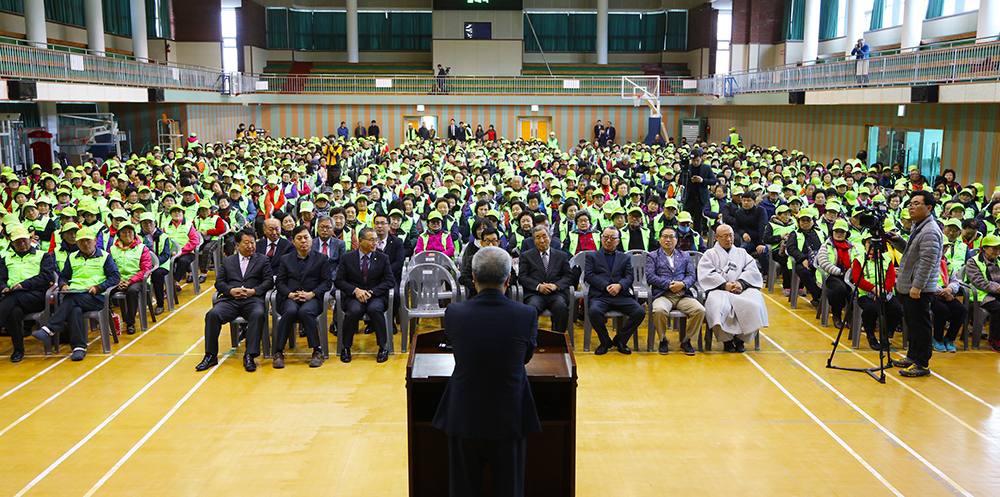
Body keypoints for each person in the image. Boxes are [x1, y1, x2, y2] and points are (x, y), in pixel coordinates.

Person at [431, 246, 541, 497]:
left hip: (464, 412)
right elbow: (524, 357)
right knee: (510, 488)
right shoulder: (526, 313)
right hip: (509, 413)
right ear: (508, 279)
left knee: (463, 489)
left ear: (473, 277)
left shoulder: (455, 312)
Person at [32, 227, 120, 362]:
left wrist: (99, 287)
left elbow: (114, 277)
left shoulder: (105, 257)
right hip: (75, 295)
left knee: (71, 301)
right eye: (81, 241)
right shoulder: (72, 257)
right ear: (77, 243)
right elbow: (63, 276)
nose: (85, 244)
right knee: (74, 309)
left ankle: (51, 327)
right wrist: (63, 284)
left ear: (95, 241)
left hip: (96, 298)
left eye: (88, 241)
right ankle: (79, 347)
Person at [196, 229, 274, 373]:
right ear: (237, 245)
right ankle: (210, 355)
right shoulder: (227, 261)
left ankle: (250, 355)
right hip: (230, 300)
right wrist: (231, 290)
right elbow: (219, 283)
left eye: (253, 243)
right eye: (247, 243)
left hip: (252, 300)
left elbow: (269, 281)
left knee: (258, 314)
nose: (251, 246)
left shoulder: (262, 260)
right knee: (212, 315)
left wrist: (253, 291)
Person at [888, 190, 943, 377]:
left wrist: (917, 286)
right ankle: (912, 357)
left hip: (918, 288)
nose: (911, 207)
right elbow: (912, 253)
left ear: (928, 208)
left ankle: (922, 364)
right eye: (910, 203)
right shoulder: (918, 227)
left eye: (916, 203)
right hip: (910, 285)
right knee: (912, 324)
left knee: (921, 325)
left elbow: (927, 261)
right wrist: (897, 241)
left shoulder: (930, 230)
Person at [698, 224, 769, 353]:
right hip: (719, 289)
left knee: (755, 304)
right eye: (724, 236)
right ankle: (727, 340)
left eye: (730, 235)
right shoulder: (709, 254)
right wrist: (725, 285)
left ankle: (741, 340)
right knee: (717, 306)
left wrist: (741, 283)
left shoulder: (742, 253)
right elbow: (706, 274)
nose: (729, 239)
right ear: (717, 238)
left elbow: (752, 271)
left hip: (742, 289)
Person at [273, 225, 331, 369]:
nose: (303, 241)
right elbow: (280, 282)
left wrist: (311, 294)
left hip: (312, 298)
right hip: (291, 298)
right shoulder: (286, 259)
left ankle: (317, 351)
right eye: (299, 238)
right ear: (293, 241)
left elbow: (326, 282)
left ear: (312, 240)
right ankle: (278, 352)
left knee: (305, 312)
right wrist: (290, 294)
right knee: (290, 311)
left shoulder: (322, 258)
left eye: (306, 237)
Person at [334, 227, 395, 364]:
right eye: (371, 240)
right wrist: (355, 290)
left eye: (376, 240)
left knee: (375, 309)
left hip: (375, 296)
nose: (375, 243)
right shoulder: (347, 258)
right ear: (361, 241)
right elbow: (339, 281)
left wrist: (372, 292)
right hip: (354, 297)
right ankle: (346, 347)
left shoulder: (382, 258)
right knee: (353, 311)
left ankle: (382, 347)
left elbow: (390, 281)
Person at [584, 227, 646, 355]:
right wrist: (606, 285)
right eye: (606, 237)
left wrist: (619, 285)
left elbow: (629, 277)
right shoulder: (592, 256)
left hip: (621, 295)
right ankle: (605, 341)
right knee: (594, 312)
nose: (608, 240)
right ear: (601, 238)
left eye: (612, 238)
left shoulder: (624, 258)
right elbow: (589, 275)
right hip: (600, 295)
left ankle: (620, 340)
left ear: (618, 241)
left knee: (639, 312)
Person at [0, 226, 55, 362]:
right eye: (18, 242)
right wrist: (3, 287)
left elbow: (45, 277)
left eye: (25, 240)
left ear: (31, 240)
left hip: (36, 296)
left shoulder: (43, 256)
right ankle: (18, 350)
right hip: (11, 297)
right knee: (13, 311)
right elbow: (0, 278)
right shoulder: (5, 259)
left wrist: (24, 285)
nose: (22, 244)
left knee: (12, 297)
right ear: (11, 243)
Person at [647, 226, 705, 355]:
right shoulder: (652, 256)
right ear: (660, 239)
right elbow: (650, 276)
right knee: (659, 310)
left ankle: (687, 340)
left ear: (677, 239)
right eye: (665, 237)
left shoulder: (684, 255)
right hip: (663, 294)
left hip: (682, 295)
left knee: (700, 310)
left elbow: (691, 275)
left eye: (672, 237)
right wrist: (670, 285)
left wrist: (682, 284)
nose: (668, 240)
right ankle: (663, 339)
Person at [852, 230, 903, 351]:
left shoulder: (887, 260)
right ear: (864, 244)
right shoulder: (859, 260)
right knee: (871, 309)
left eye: (874, 243)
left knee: (897, 309)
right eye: (869, 243)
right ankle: (871, 336)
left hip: (885, 293)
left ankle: (886, 335)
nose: (872, 246)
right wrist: (873, 289)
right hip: (866, 294)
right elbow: (857, 279)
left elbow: (891, 278)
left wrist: (884, 290)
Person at [519, 226, 575, 334]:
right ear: (534, 241)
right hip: (535, 294)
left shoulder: (561, 256)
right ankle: (531, 340)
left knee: (561, 307)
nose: (542, 240)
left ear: (550, 237)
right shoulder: (527, 256)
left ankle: (559, 338)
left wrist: (556, 286)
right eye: (538, 238)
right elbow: (522, 276)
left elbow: (569, 276)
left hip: (556, 293)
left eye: (544, 236)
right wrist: (539, 286)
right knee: (531, 308)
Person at [108, 222, 153, 336]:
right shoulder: (112, 249)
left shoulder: (142, 248)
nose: (127, 234)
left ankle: (130, 323)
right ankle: (110, 321)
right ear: (119, 235)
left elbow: (145, 269)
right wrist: (118, 281)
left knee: (132, 291)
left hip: (138, 280)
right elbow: (109, 268)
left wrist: (129, 281)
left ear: (134, 234)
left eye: (130, 232)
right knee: (104, 291)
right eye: (124, 232)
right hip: (118, 280)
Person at [816, 219, 856, 329]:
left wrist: (850, 273)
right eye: (836, 231)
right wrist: (839, 272)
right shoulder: (826, 245)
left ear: (846, 234)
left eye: (842, 232)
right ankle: (837, 314)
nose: (838, 234)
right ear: (832, 232)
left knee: (855, 290)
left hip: (848, 275)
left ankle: (850, 317)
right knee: (840, 289)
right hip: (831, 275)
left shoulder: (852, 246)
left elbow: (857, 261)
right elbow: (823, 263)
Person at [964, 234, 1000, 353]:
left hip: (997, 291)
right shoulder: (973, 262)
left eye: (999, 248)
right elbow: (979, 282)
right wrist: (997, 287)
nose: (997, 251)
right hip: (981, 294)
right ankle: (994, 339)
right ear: (984, 248)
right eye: (994, 248)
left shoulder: (998, 261)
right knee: (998, 308)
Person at [680, 148, 717, 234]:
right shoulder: (687, 168)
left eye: (697, 160)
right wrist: (690, 181)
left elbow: (713, 181)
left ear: (701, 158)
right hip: (688, 197)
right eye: (693, 160)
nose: (695, 162)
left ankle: (697, 238)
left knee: (698, 221)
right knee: (685, 218)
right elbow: (680, 181)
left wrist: (702, 181)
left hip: (700, 199)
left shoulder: (706, 168)